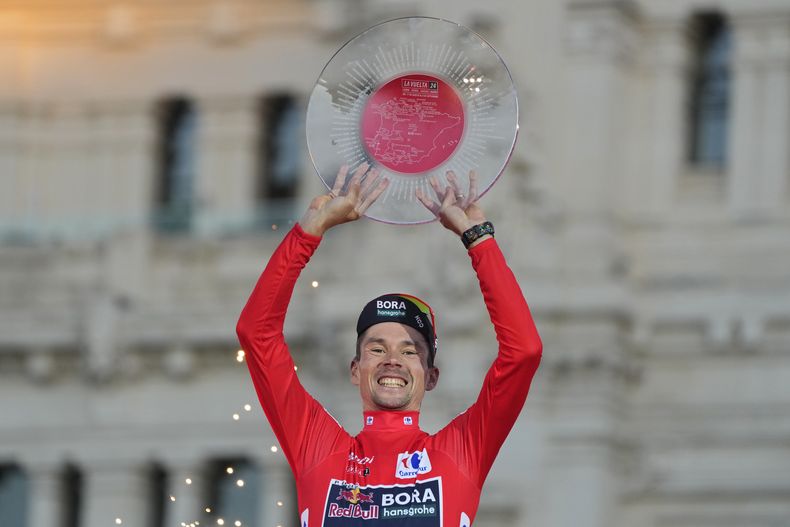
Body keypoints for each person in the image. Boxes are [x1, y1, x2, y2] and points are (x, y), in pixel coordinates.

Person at [236, 163, 542, 527]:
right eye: (377, 349)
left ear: (431, 376)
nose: (392, 360)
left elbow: (523, 352)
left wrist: (478, 238)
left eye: (410, 351)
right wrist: (308, 232)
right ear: (355, 369)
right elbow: (257, 335)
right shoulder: (319, 449)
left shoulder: (460, 452)